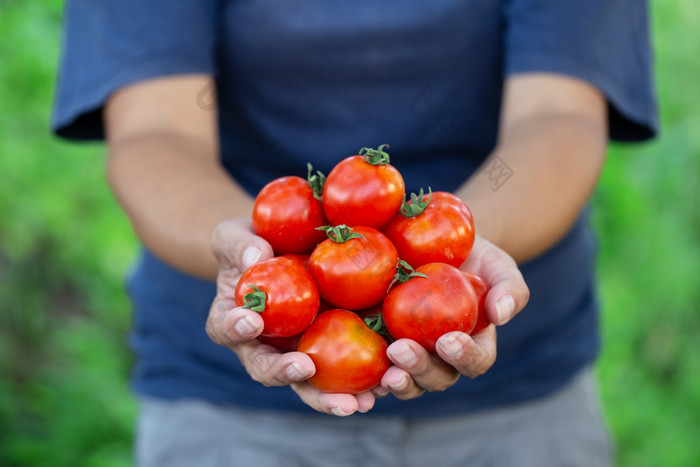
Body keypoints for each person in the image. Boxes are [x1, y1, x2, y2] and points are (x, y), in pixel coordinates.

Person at [52, 1, 657, 465]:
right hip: (228, 413)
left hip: (519, 404)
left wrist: (462, 252)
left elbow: (561, 115)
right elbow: (157, 133)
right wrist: (251, 257)